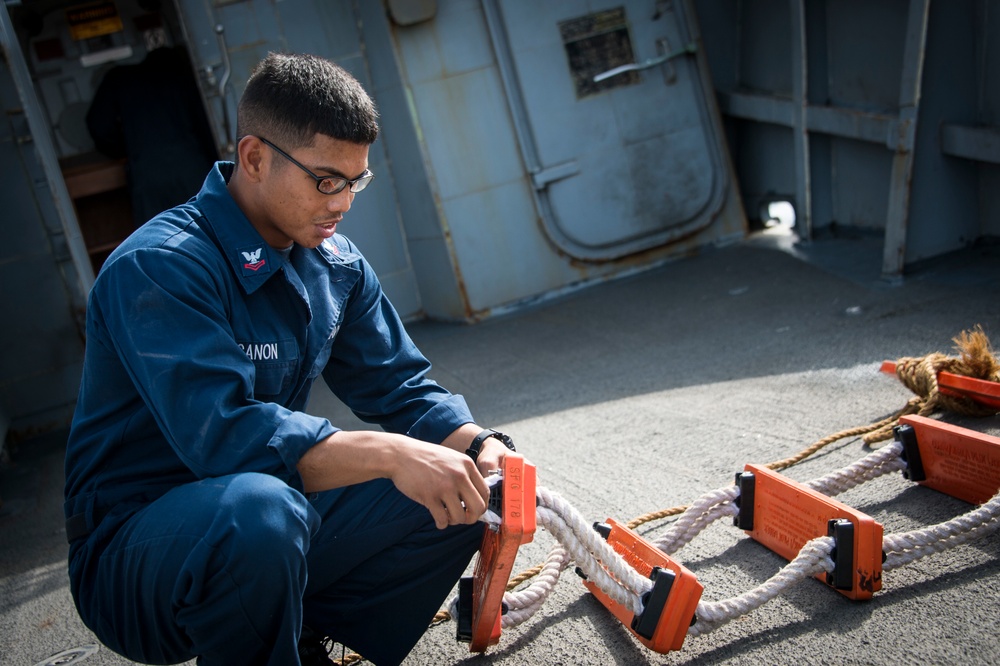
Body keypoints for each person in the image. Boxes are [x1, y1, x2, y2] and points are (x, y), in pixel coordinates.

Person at [64, 51, 515, 666]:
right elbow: (224, 437)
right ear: (254, 158)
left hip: (265, 513)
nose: (343, 202)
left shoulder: (335, 264)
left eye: (356, 181)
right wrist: (390, 453)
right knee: (260, 513)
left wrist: (480, 445)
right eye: (326, 180)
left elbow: (401, 386)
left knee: (468, 488)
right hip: (138, 552)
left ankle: (294, 638)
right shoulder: (161, 266)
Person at [86, 42, 219, 226]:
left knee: (161, 237)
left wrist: (124, 151)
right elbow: (206, 125)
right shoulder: (183, 77)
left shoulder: (119, 78)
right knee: (212, 227)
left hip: (148, 173)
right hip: (193, 166)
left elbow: (98, 125)